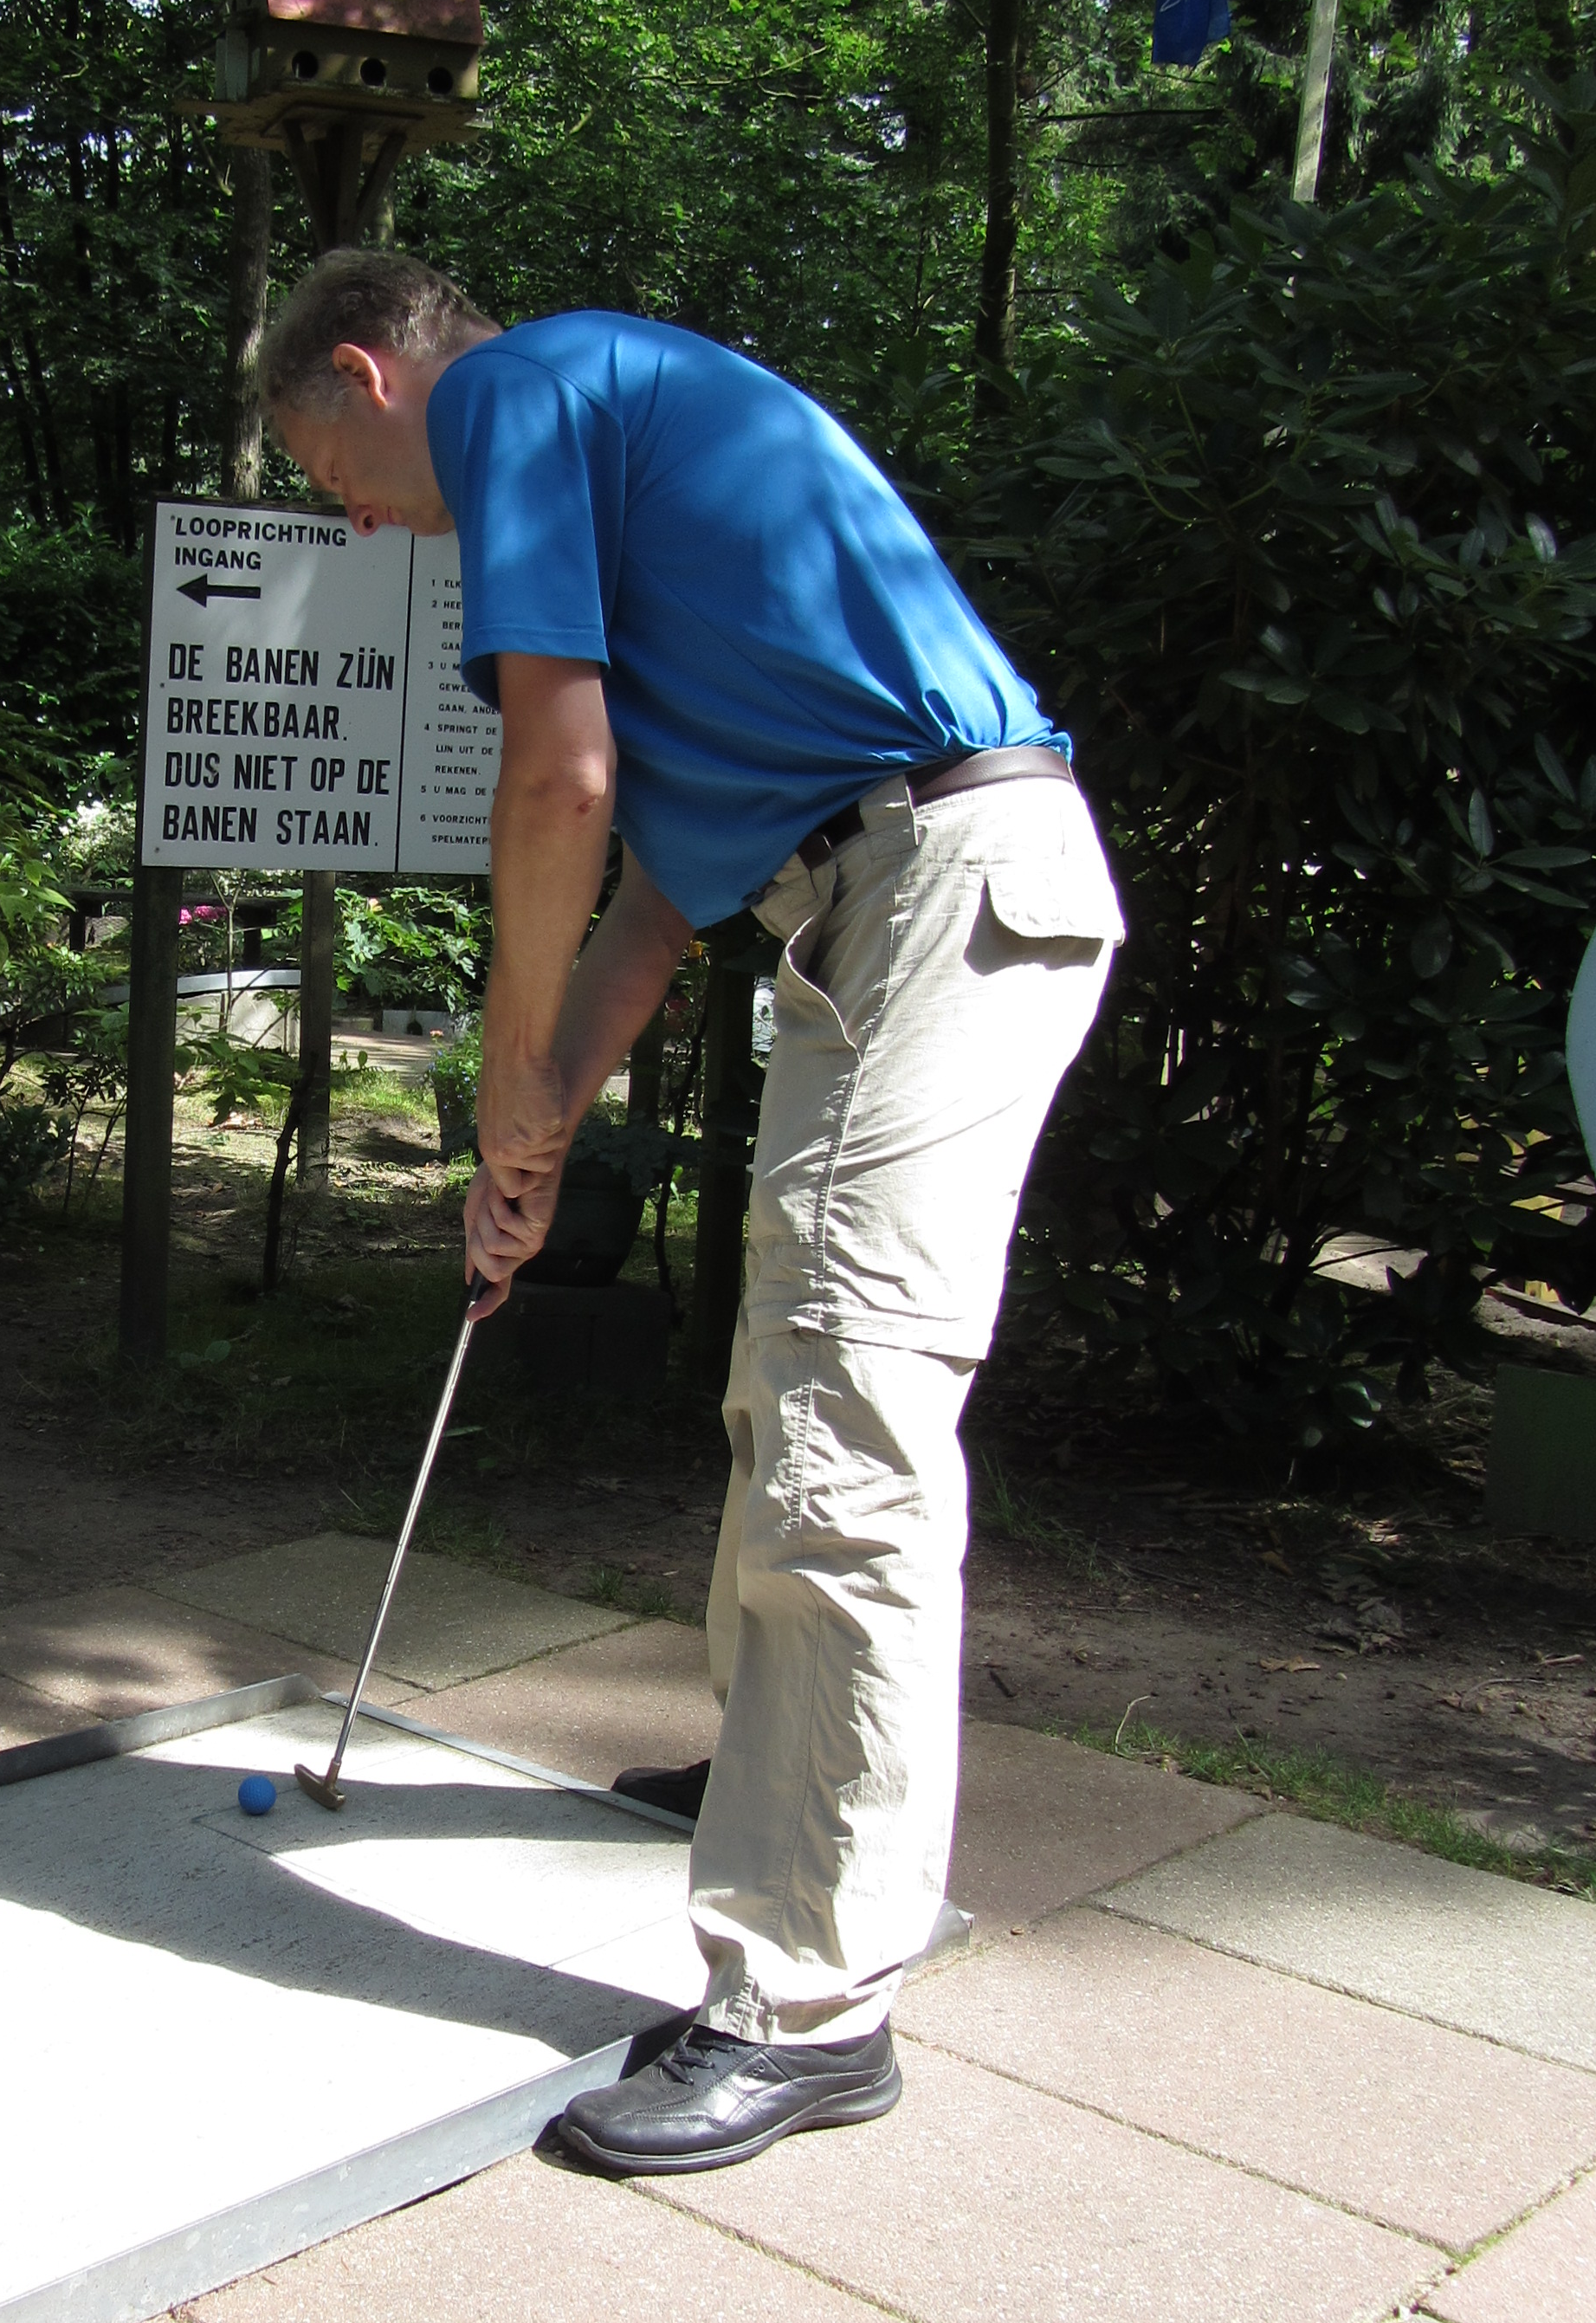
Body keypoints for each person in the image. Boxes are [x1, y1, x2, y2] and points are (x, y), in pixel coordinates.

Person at [263, 251, 1123, 2177]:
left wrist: (502, 1069)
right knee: (786, 1379)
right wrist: (535, 1137)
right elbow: (654, 895)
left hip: (939, 880)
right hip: (875, 900)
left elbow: (556, 781)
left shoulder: (517, 395)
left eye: (329, 474)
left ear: (369, 376)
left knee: (842, 1410)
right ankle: (782, 1783)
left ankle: (809, 2005)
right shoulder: (633, 483)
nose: (355, 520)